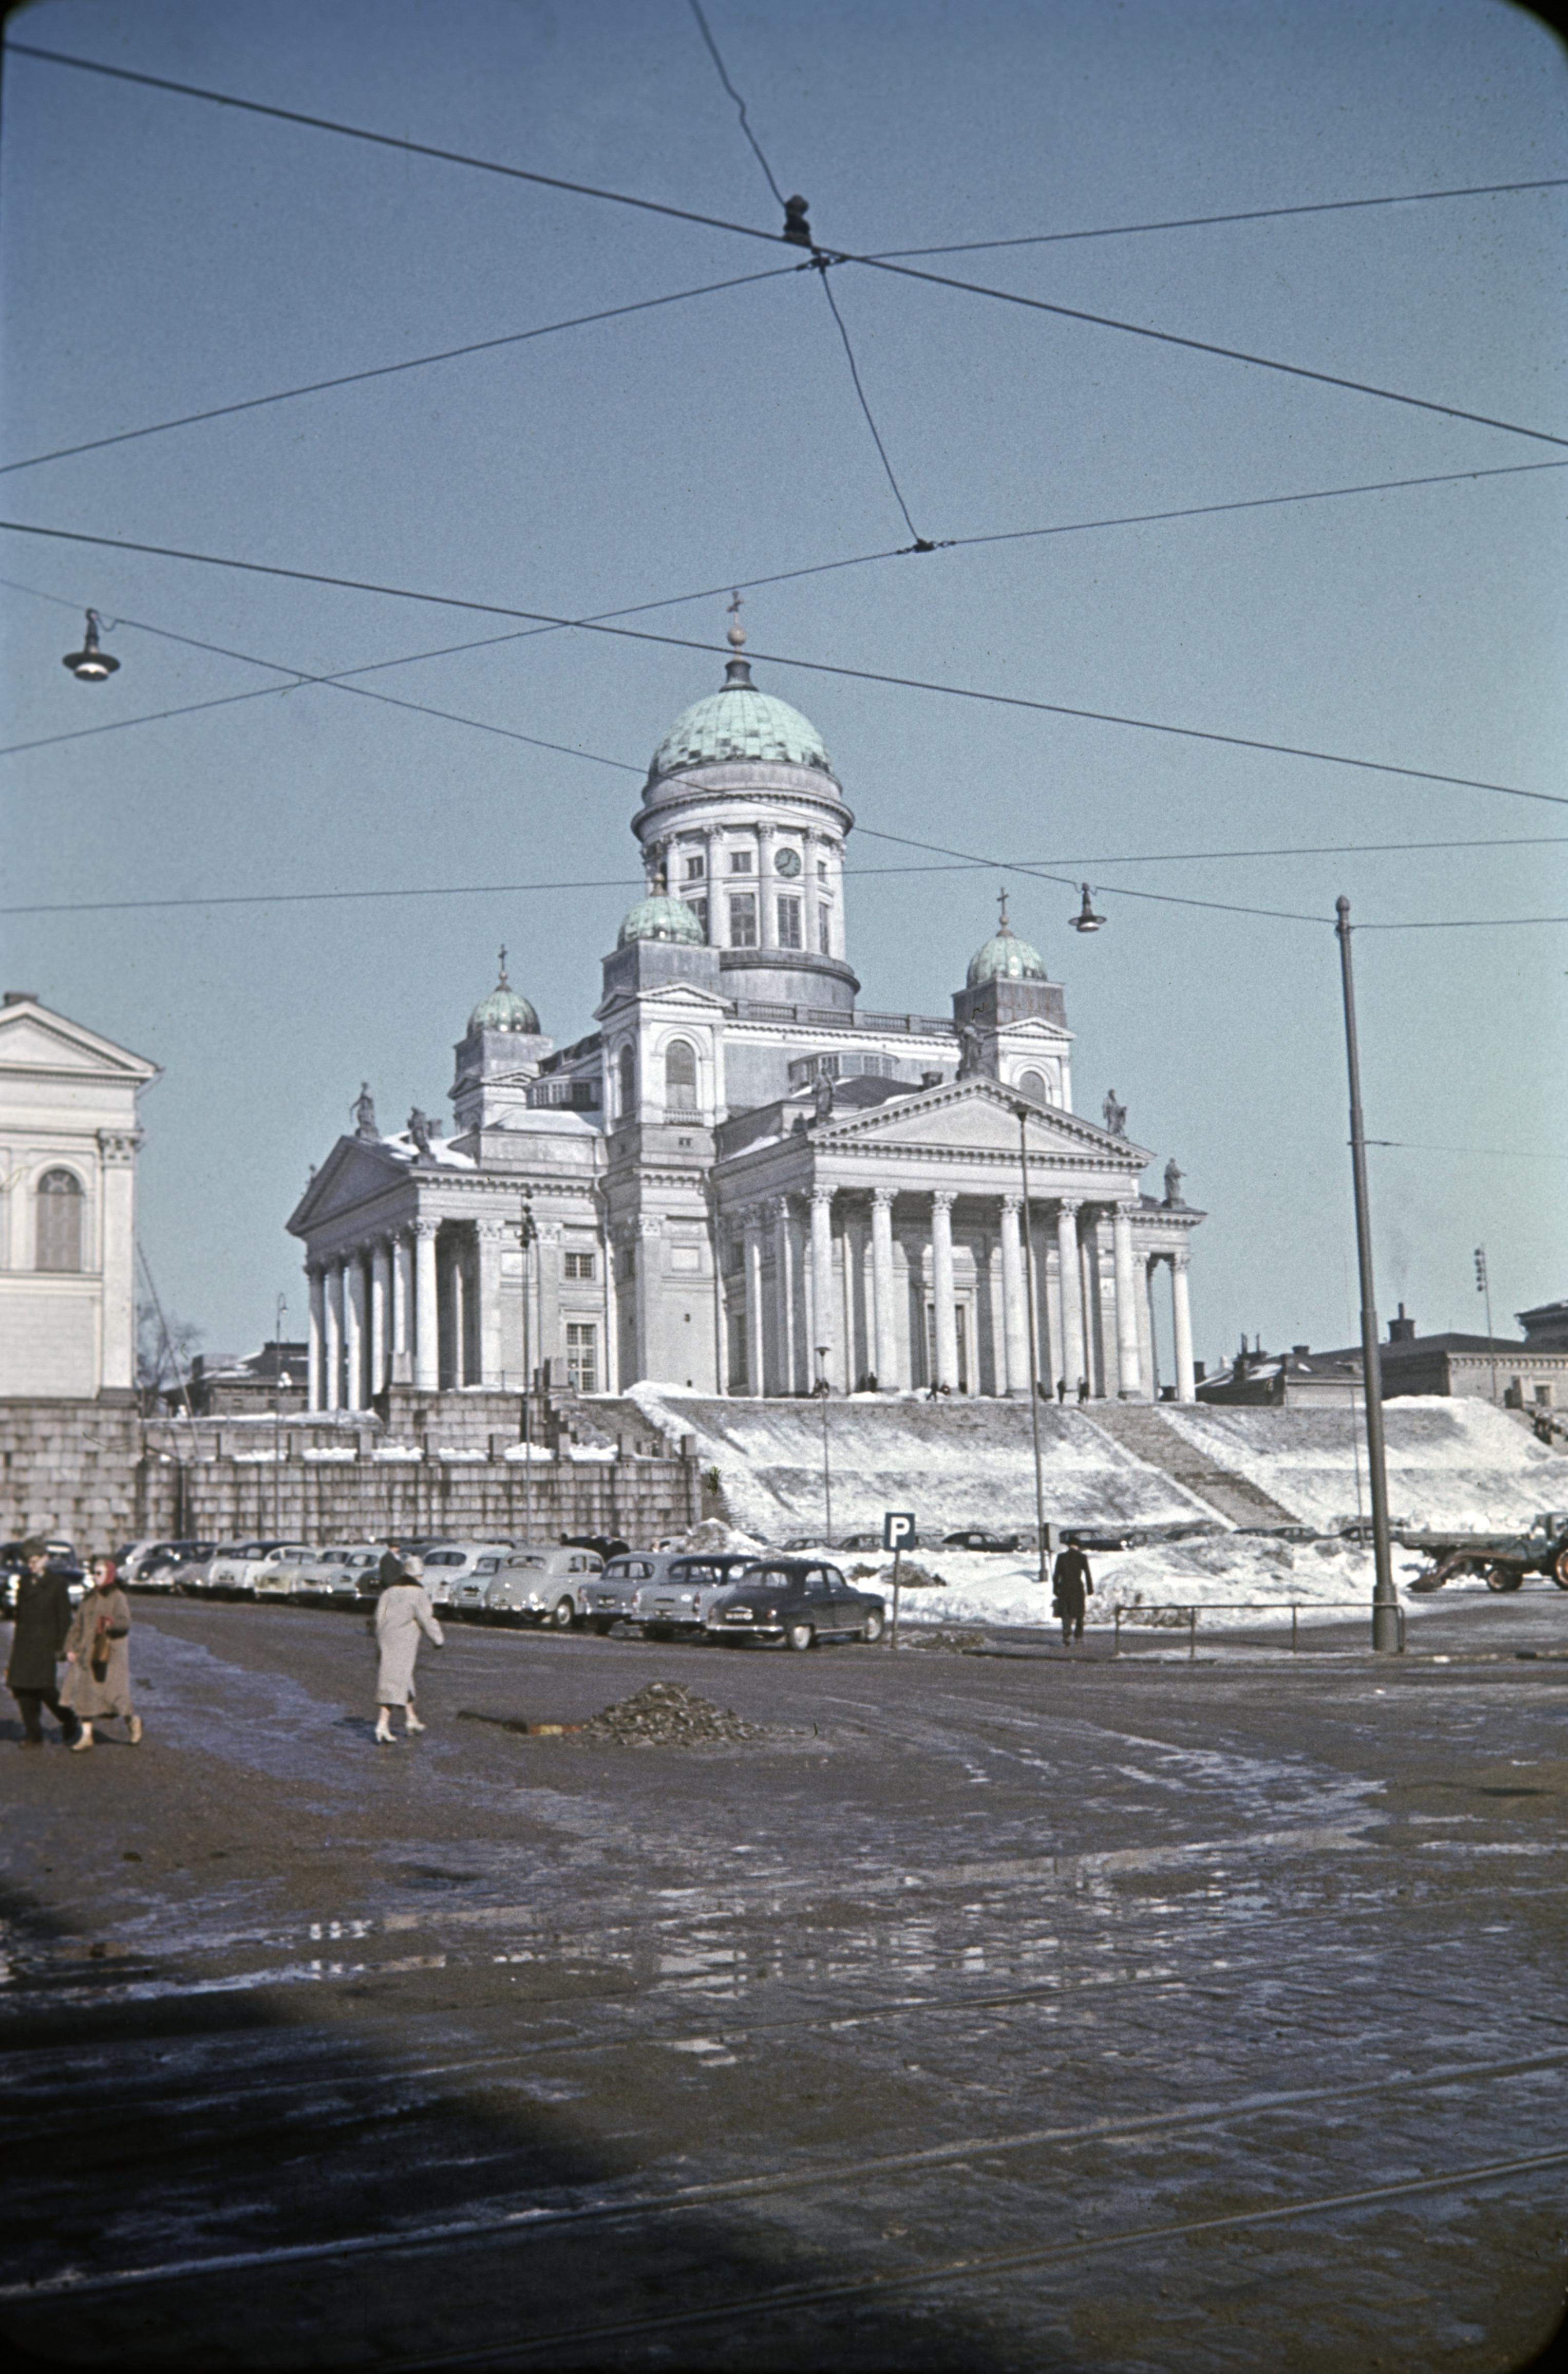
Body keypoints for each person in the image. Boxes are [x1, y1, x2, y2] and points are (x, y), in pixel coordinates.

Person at [61, 1557, 139, 1750]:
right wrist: (70, 1648)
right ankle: (87, 1736)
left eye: (99, 1573)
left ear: (109, 1575)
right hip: (87, 1654)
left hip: (110, 1656)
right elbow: (77, 1626)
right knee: (84, 1695)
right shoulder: (88, 1599)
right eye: (93, 1573)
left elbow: (125, 1622)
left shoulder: (118, 1597)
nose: (95, 1577)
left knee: (116, 1696)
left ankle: (132, 1721)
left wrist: (112, 1623)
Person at [7, 1540, 79, 1748]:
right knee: (21, 1688)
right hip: (24, 1645)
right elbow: (20, 1617)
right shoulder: (24, 1582)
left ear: (45, 1558)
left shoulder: (57, 1584)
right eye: (28, 1562)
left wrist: (64, 1648)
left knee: (44, 1689)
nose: (31, 1566)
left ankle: (68, 1717)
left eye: (35, 1561)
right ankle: (34, 1734)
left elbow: (64, 1619)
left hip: (45, 1645)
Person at [373, 1556, 444, 1744]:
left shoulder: (389, 1592)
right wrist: (438, 1639)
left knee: (403, 1677)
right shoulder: (418, 1594)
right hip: (404, 1641)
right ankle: (382, 1725)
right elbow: (426, 1619)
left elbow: (380, 1618)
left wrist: (380, 1639)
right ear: (419, 1575)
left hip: (386, 1639)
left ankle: (411, 1718)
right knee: (394, 1681)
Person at [1051, 1540, 1093, 1647]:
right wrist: (1090, 1589)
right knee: (1079, 1613)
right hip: (1077, 1588)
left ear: (1069, 1546)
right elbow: (1087, 1573)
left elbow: (1056, 1575)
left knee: (1066, 1612)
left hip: (1065, 1588)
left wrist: (1055, 1589)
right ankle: (1078, 1636)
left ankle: (1066, 1633)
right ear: (1077, 1546)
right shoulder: (1082, 1557)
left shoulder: (1061, 1557)